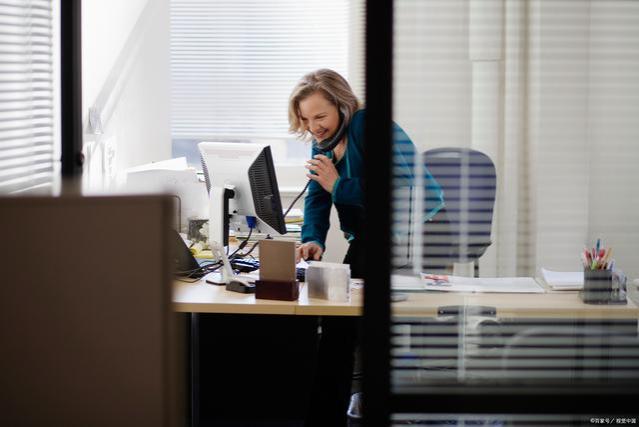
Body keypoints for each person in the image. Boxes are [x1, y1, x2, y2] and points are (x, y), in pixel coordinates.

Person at [288, 69, 445, 426]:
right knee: (336, 316)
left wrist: (339, 185)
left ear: (342, 107)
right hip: (370, 236)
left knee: (344, 323)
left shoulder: (368, 126)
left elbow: (402, 193)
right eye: (306, 119)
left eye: (320, 117)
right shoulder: (325, 139)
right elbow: (317, 194)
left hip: (419, 229)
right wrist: (312, 237)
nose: (313, 126)